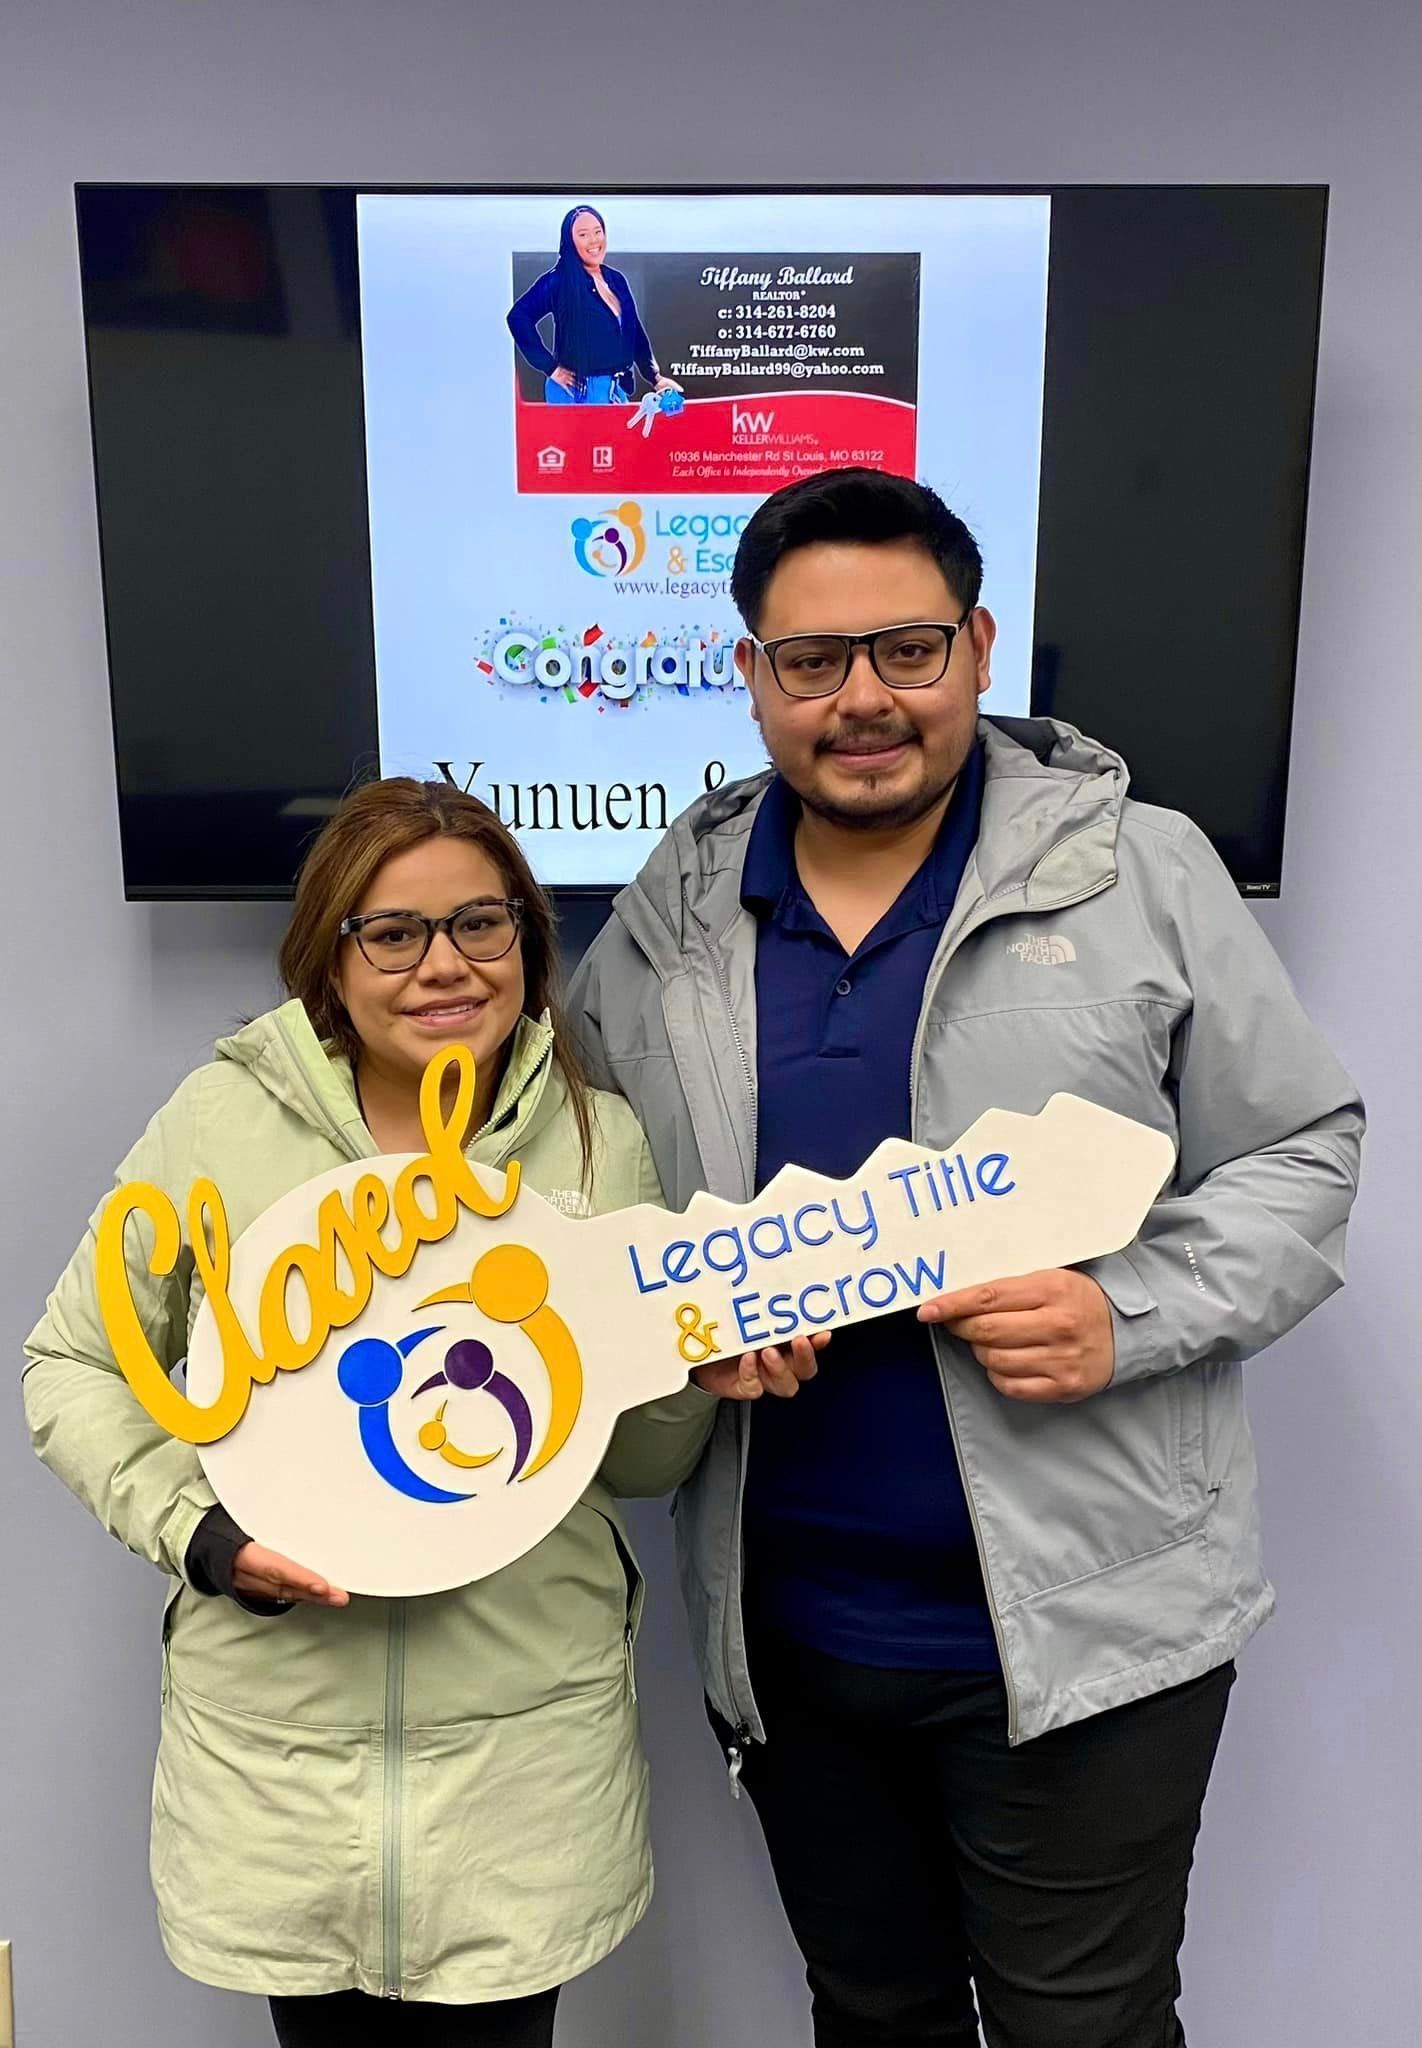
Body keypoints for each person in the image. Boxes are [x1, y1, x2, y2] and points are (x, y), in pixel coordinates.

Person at [568, 466, 1364, 2048]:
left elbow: (1300, 1150)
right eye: (811, 661)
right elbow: (600, 1198)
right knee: (872, 2016)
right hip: (789, 1633)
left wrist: (1124, 1310)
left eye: (906, 650)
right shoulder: (675, 904)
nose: (862, 699)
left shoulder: (1141, 870)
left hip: (1090, 1631)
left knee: (1086, 2031)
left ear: (979, 649)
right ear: (749, 676)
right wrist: (673, 1329)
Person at [23, 778, 729, 2047]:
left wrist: (679, 1367)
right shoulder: (218, 1122)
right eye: (393, 931)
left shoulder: (595, 1140)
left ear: (526, 936)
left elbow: (636, 1463)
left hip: (524, 1761)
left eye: (483, 922)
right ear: (328, 959)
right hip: (283, 1759)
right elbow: (71, 1365)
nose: (445, 964)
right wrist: (200, 1534)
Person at [506, 204, 678, 407]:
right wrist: (550, 367)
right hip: (576, 393)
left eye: (598, 232)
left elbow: (635, 333)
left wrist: (655, 378)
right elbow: (518, 317)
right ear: (570, 241)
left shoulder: (616, 279)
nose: (594, 240)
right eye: (583, 234)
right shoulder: (559, 281)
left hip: (616, 391)